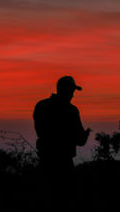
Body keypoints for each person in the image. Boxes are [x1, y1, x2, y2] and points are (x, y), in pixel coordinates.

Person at [33, 76, 91, 209]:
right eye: (72, 91)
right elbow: (80, 141)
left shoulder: (41, 106)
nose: (73, 95)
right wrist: (85, 134)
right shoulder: (71, 111)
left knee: (45, 198)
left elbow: (40, 131)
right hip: (64, 163)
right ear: (66, 90)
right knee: (65, 199)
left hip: (45, 161)